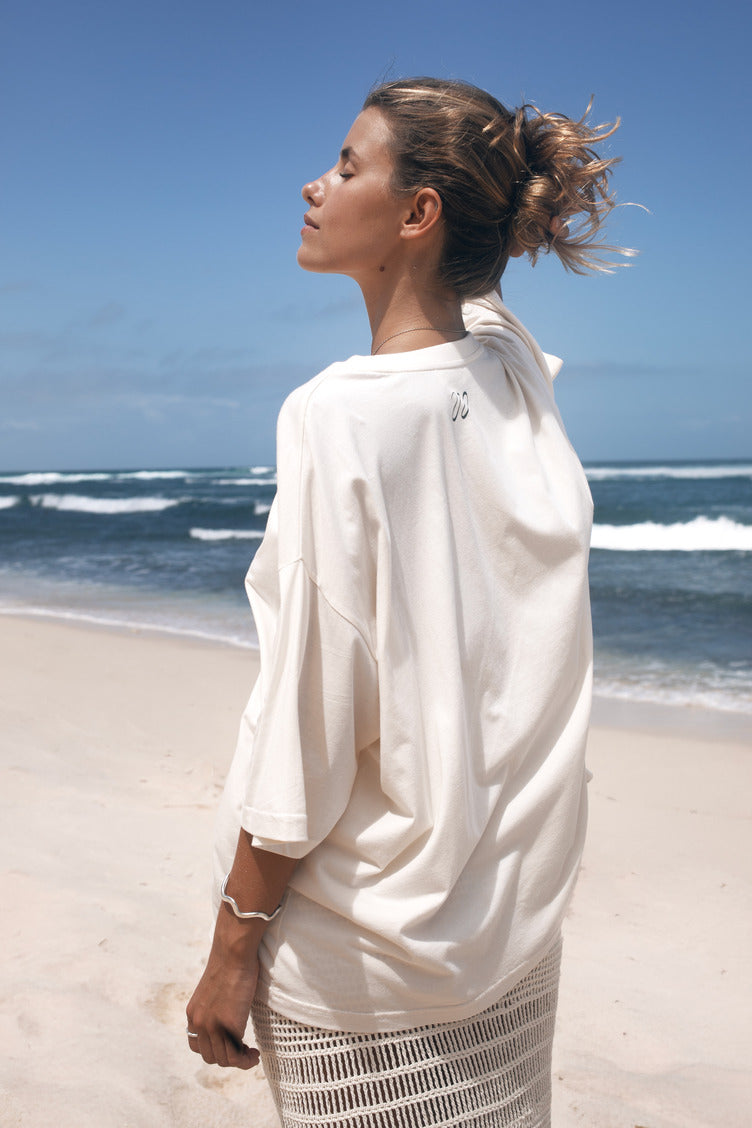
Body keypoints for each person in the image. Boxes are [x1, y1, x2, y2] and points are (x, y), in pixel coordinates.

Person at [186, 77, 628, 1127]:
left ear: (417, 213)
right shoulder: (512, 366)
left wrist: (232, 945)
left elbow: (313, 718)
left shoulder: (341, 417)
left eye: (346, 165)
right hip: (508, 930)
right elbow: (467, 311)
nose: (313, 182)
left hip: (371, 959)